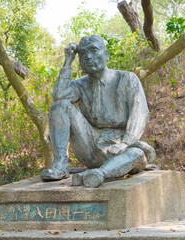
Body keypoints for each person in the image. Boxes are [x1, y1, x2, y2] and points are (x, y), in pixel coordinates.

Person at [41, 35, 156, 188]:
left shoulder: (127, 79)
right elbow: (58, 95)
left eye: (94, 50)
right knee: (59, 105)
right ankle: (61, 164)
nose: (88, 57)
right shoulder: (79, 85)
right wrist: (68, 61)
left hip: (119, 148)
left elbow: (140, 113)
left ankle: (99, 174)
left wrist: (126, 143)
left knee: (137, 154)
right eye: (82, 53)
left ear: (106, 54)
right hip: (90, 145)